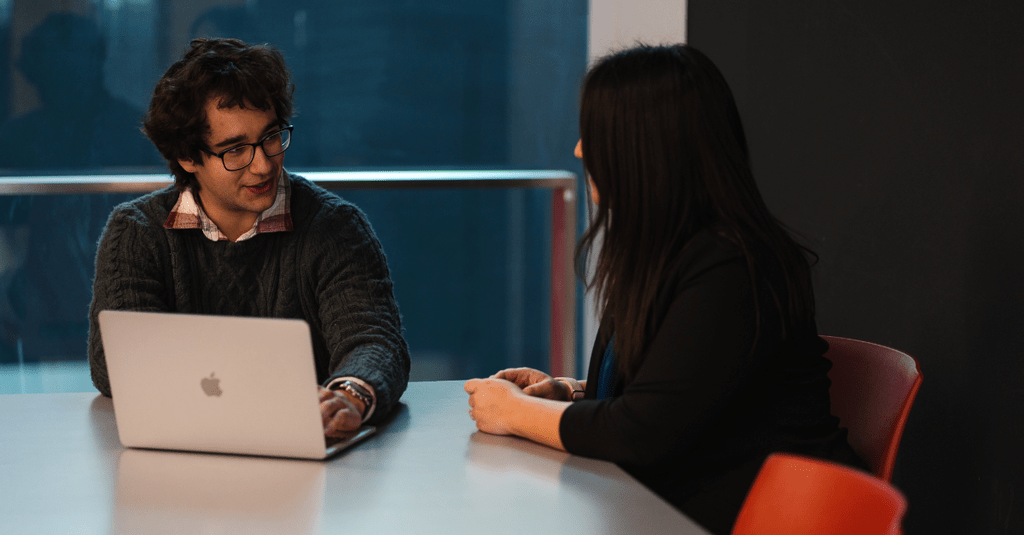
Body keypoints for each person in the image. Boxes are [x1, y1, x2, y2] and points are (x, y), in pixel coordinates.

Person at [464, 44, 865, 534]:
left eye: (596, 133)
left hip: (771, 519)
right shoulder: (671, 252)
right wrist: (569, 395)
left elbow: (642, 432)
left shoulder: (733, 266)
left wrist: (516, 413)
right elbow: (676, 394)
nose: (579, 150)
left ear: (645, 148)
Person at [88, 38, 409, 436]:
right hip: (183, 443)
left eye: (271, 137)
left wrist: (348, 396)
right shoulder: (136, 231)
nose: (263, 165)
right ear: (189, 157)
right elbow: (115, 363)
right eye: (235, 149)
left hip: (307, 453)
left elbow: (375, 342)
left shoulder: (335, 227)